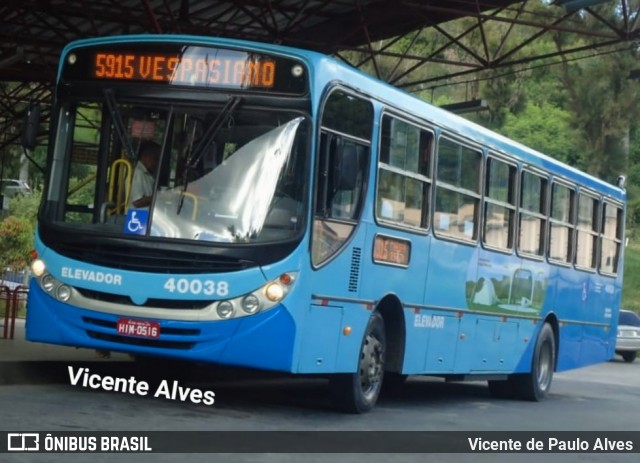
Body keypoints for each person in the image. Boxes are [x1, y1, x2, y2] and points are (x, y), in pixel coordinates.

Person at [129, 141, 160, 209]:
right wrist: (158, 197)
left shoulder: (147, 174)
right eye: (155, 159)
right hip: (137, 217)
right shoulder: (138, 173)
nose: (156, 163)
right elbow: (137, 202)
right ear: (145, 156)